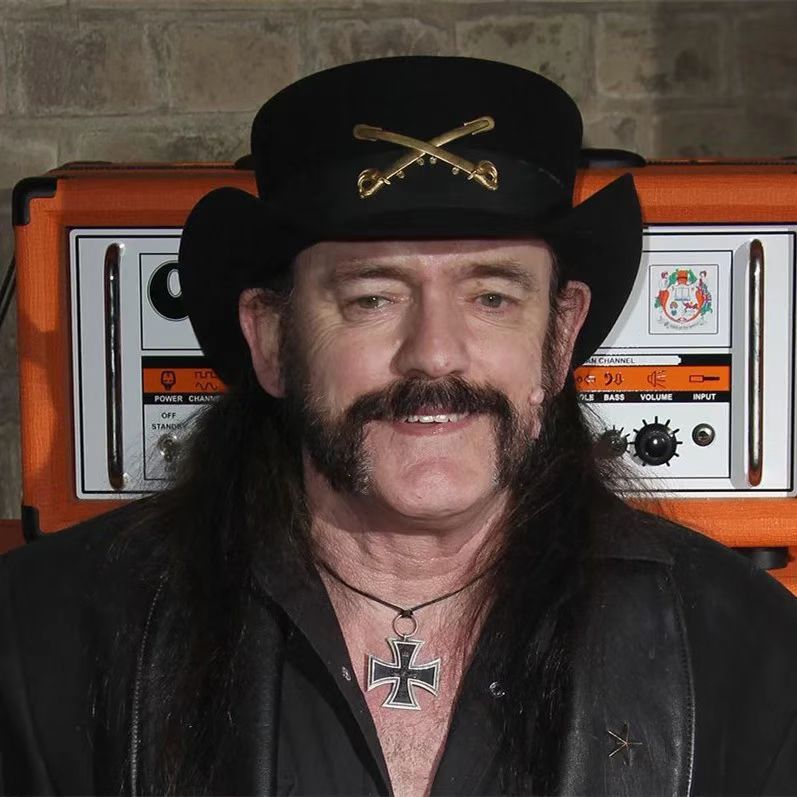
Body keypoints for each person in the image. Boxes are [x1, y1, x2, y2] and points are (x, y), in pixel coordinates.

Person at [1, 56, 796, 797]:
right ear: (271, 339)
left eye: (491, 296)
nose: (435, 353)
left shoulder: (749, 652)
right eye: (371, 297)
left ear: (558, 338)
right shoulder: (38, 640)